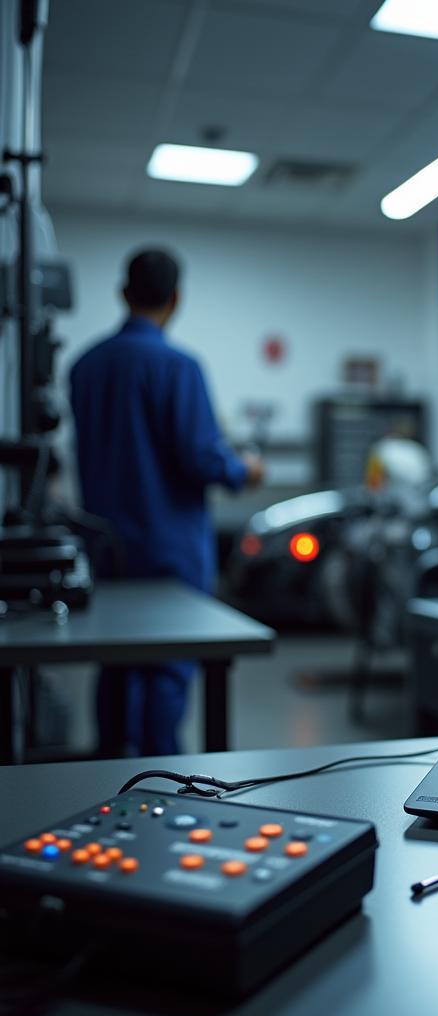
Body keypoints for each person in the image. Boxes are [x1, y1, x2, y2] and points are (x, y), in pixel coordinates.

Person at [70, 248, 264, 755]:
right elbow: (201, 459)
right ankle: (156, 797)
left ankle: (105, 784)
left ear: (123, 293)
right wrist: (245, 469)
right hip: (167, 551)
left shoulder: (84, 367)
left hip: (106, 553)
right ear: (176, 299)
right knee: (165, 676)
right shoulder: (178, 368)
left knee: (113, 667)